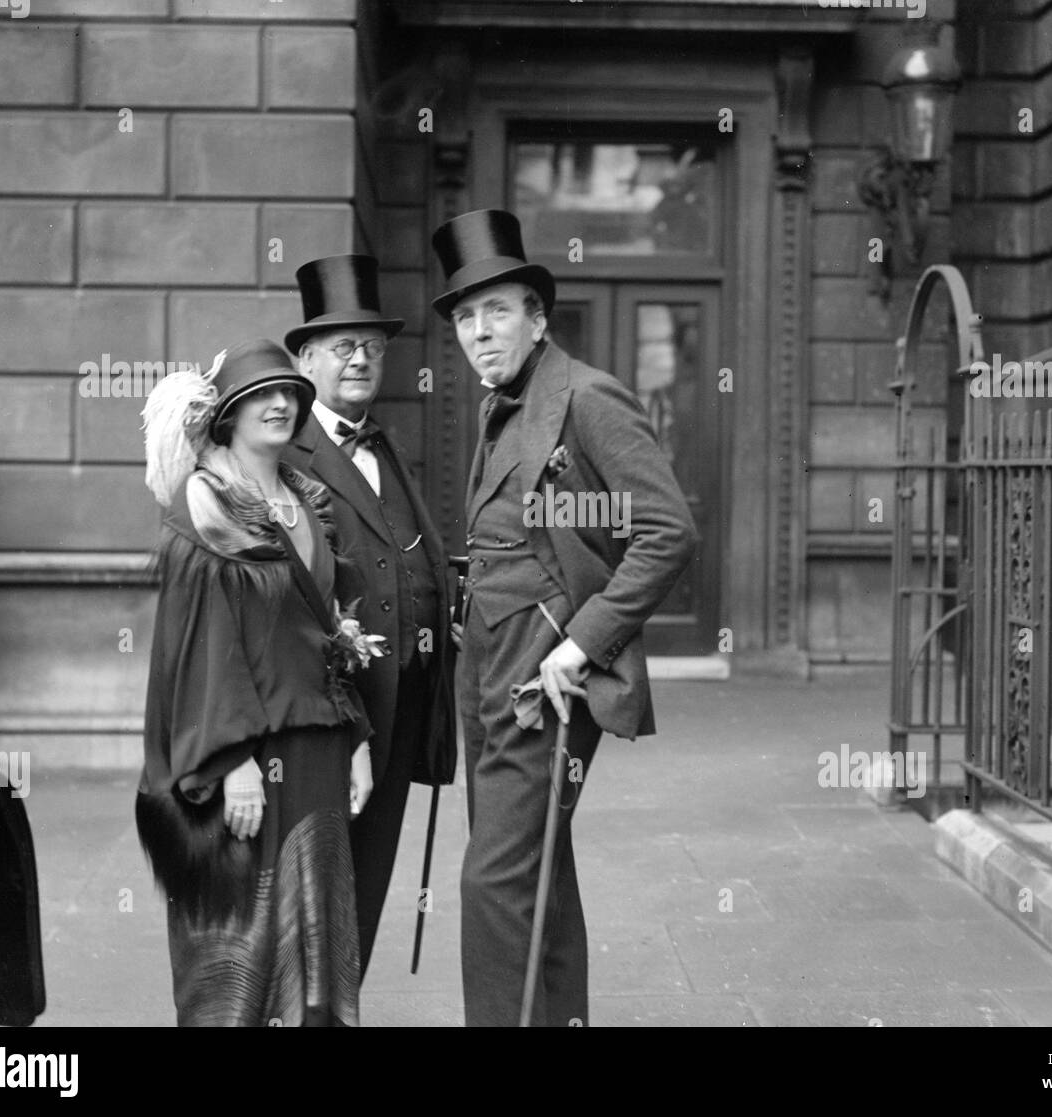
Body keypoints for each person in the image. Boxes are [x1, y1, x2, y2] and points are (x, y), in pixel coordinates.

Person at [431, 208, 699, 1026]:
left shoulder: (586, 399)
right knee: (535, 866)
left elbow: (670, 531)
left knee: (493, 880)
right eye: (466, 318)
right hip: (487, 663)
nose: (480, 332)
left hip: (544, 675)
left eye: (497, 311)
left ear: (538, 318)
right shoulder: (503, 404)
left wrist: (584, 640)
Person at [135, 338, 381, 1027]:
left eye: (289, 393)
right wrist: (231, 757)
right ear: (227, 416)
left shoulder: (308, 500)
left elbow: (330, 628)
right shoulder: (204, 507)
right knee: (243, 949)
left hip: (317, 753)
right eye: (258, 396)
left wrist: (355, 736)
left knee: (314, 948)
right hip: (249, 759)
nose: (279, 404)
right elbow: (204, 644)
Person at [282, 255, 457, 981]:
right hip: (336, 723)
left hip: (400, 710)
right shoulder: (287, 453)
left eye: (373, 346)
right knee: (317, 902)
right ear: (305, 358)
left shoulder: (382, 442)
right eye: (343, 345)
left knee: (363, 893)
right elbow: (293, 607)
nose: (360, 358)